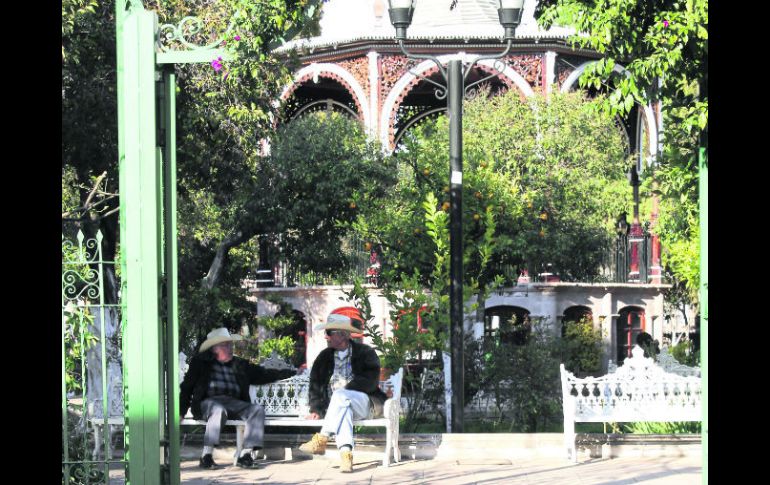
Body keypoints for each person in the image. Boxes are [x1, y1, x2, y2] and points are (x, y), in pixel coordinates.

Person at [180, 327, 296, 469]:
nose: (231, 348)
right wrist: (181, 411)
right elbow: (187, 387)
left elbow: (263, 374)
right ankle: (206, 455)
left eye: (231, 344)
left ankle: (245, 455)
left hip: (234, 403)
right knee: (218, 410)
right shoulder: (201, 362)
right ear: (214, 348)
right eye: (226, 345)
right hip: (208, 402)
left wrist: (291, 373)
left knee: (256, 410)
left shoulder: (239, 364)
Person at [297, 313, 387, 473]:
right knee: (342, 408)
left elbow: (371, 381)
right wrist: (316, 409)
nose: (327, 337)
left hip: (365, 403)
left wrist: (346, 390)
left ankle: (322, 437)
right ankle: (346, 455)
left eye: (329, 333)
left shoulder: (365, 352)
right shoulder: (324, 357)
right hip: (337, 408)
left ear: (342, 334)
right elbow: (315, 384)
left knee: (340, 396)